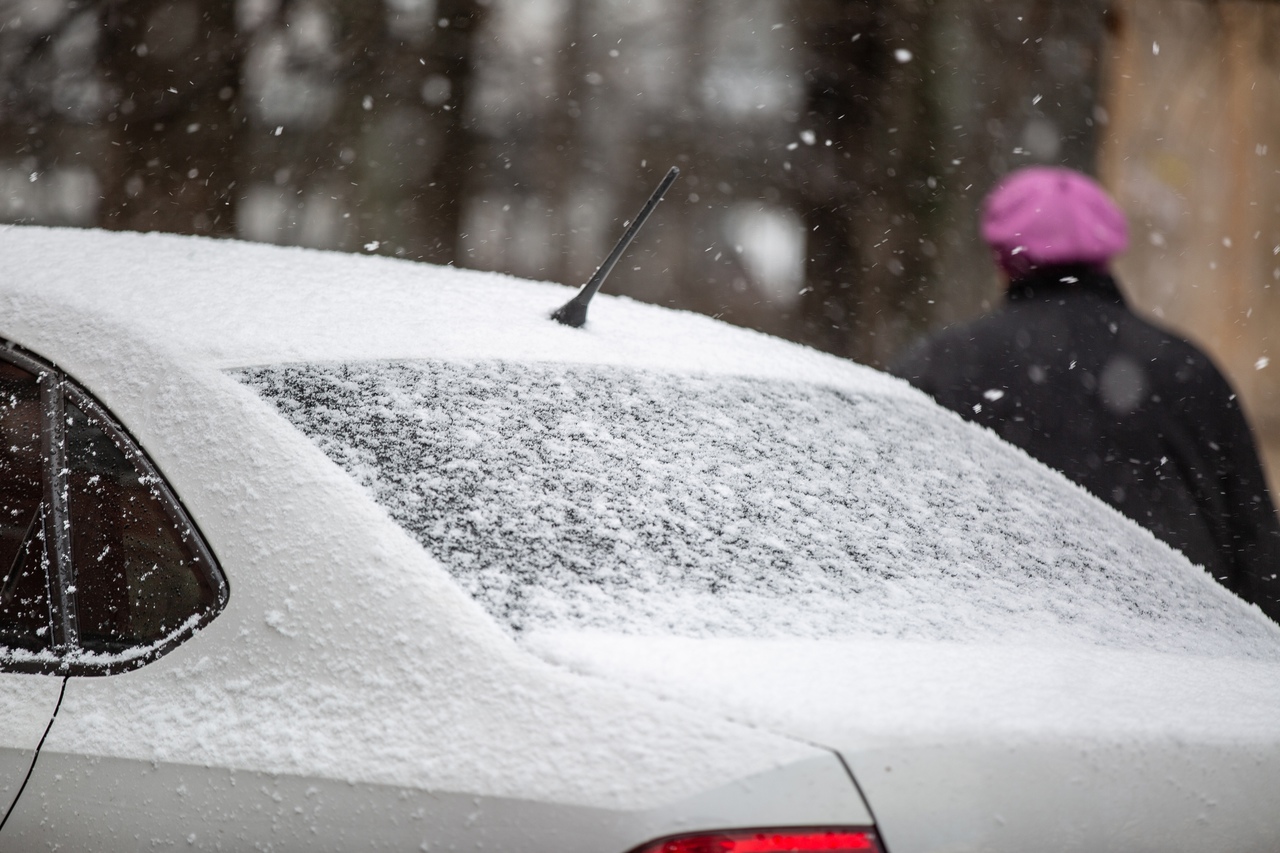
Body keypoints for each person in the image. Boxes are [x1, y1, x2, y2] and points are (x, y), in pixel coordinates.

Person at [890, 166, 1280, 623]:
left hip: (988, 645)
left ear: (1002, 259)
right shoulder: (1187, 368)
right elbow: (1256, 547)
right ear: (1107, 255)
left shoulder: (939, 366)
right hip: (1174, 656)